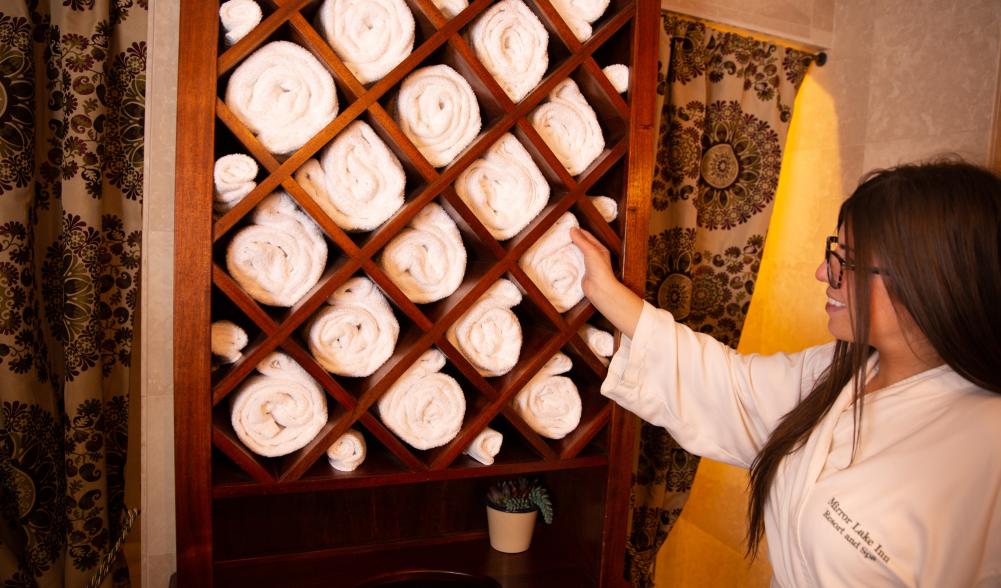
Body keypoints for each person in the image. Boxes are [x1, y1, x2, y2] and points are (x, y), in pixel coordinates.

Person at [569, 159, 1001, 587]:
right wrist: (604, 292)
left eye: (845, 263)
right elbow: (729, 386)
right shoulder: (839, 372)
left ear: (929, 281)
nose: (823, 273)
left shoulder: (986, 447)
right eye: (834, 254)